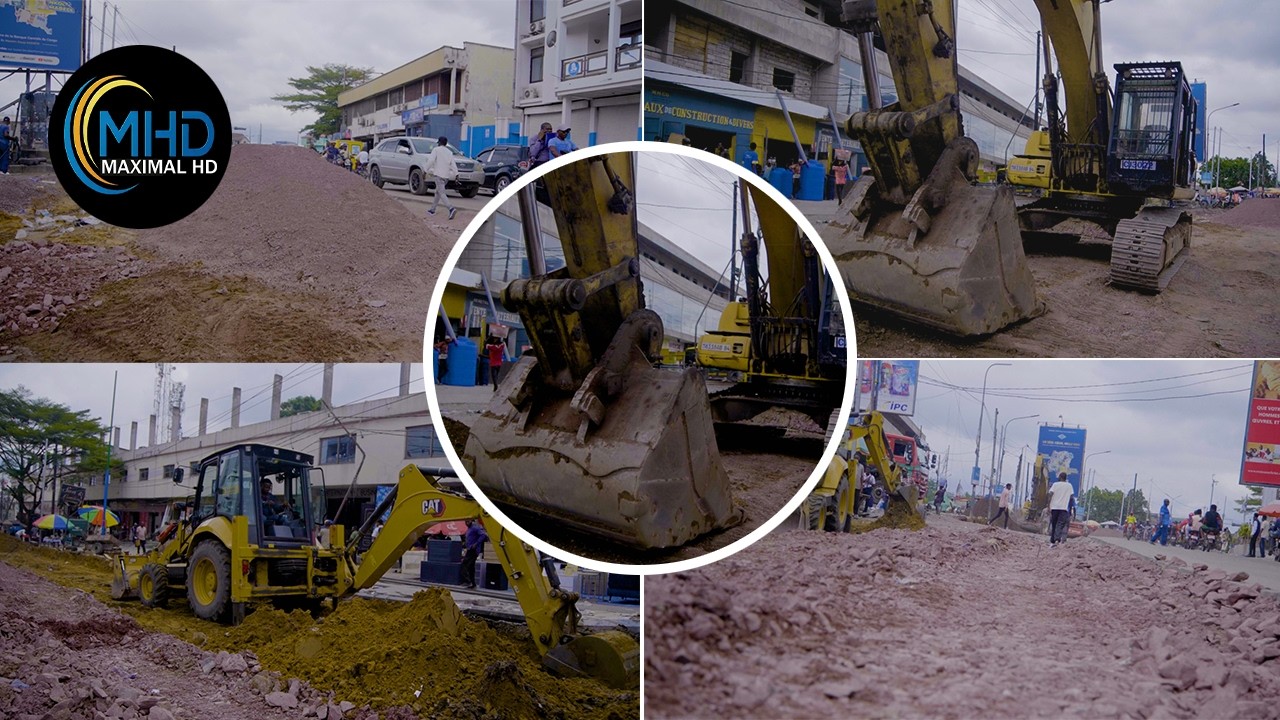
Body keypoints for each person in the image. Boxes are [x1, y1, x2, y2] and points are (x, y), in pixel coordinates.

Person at [425, 135, 458, 220]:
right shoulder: (449, 152)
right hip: (446, 176)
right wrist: (456, 174)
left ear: (439, 143)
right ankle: (432, 210)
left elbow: (431, 160)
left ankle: (451, 208)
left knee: (441, 193)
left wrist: (425, 170)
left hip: (438, 175)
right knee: (438, 192)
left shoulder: (436, 150)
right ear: (446, 144)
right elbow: (453, 164)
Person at [1047, 472, 1074, 546]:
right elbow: (1071, 497)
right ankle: (1057, 539)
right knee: (1060, 524)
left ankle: (1053, 540)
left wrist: (1048, 505)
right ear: (1065, 478)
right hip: (1063, 508)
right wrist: (1070, 507)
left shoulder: (1055, 484)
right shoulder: (1069, 486)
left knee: (1054, 523)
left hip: (1054, 507)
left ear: (1060, 477)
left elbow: (1050, 494)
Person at [461, 519, 489, 589]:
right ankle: (473, 584)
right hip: (469, 549)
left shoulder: (475, 528)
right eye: (466, 521)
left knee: (465, 564)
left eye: (468, 521)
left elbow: (483, 535)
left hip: (473, 550)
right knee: (471, 566)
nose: (467, 523)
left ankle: (468, 581)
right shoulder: (469, 529)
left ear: (471, 521)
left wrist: (476, 544)